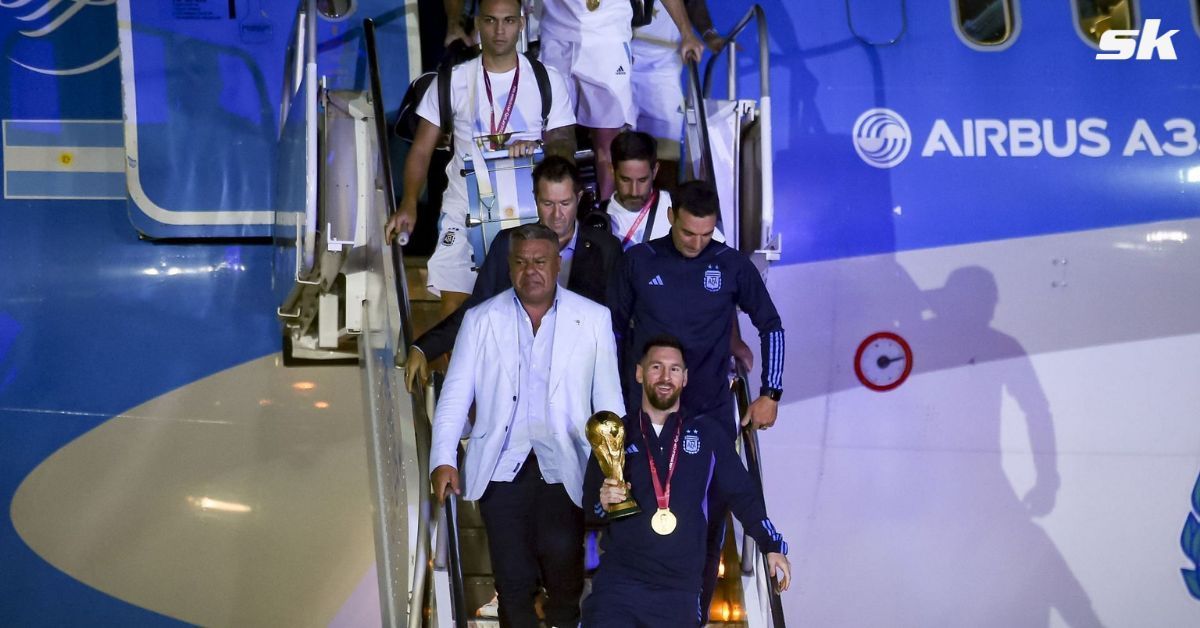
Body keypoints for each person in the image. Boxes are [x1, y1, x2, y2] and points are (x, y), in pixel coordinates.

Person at [429, 222, 625, 627]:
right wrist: (443, 460)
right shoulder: (481, 319)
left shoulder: (592, 318)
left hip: (566, 467)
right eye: (520, 262)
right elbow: (454, 395)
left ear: (557, 264)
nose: (530, 270)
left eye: (539, 261)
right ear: (508, 265)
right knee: (513, 583)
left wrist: (615, 473)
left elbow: (608, 404)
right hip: (501, 469)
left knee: (566, 582)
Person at [608, 179, 785, 620]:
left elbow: (772, 326)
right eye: (689, 232)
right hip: (646, 418)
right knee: (630, 519)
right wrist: (612, 402)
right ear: (671, 217)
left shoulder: (731, 265)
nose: (697, 243)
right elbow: (608, 333)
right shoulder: (638, 261)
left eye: (707, 235)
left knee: (706, 530)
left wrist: (771, 392)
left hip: (708, 415)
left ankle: (695, 617)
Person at [385, 0, 577, 320]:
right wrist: (409, 204)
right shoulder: (450, 80)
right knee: (453, 311)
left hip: (526, 209)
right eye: (490, 20)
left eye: (508, 21)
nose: (499, 30)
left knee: (526, 311)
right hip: (464, 208)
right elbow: (420, 150)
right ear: (477, 23)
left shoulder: (547, 79)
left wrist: (539, 146)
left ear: (521, 23)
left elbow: (565, 143)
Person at [582, 335, 790, 626]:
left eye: (674, 369)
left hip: (678, 592)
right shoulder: (615, 433)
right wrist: (603, 501)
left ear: (685, 378)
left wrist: (771, 545)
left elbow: (743, 494)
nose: (665, 377)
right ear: (640, 373)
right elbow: (590, 507)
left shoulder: (707, 433)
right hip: (620, 587)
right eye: (656, 367)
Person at [402, 155, 621, 392]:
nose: (557, 215)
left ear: (578, 198)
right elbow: (477, 309)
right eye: (548, 204)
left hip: (582, 379)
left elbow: (615, 321)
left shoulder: (605, 248)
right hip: (519, 379)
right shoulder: (509, 243)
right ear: (535, 201)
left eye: (565, 203)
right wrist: (424, 347)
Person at [536, 0, 703, 202]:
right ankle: (561, 220)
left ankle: (609, 219)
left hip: (608, 37)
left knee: (608, 145)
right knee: (557, 137)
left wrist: (686, 33)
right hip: (556, 34)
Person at [630, 0, 724, 191]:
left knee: (666, 151)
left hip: (662, 62)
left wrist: (708, 33)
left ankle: (663, 215)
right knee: (613, 144)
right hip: (617, 51)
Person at [598, 130, 725, 251]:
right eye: (625, 180)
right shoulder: (597, 219)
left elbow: (720, 255)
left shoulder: (679, 208)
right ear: (612, 170)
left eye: (642, 180)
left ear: (655, 171)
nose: (634, 192)